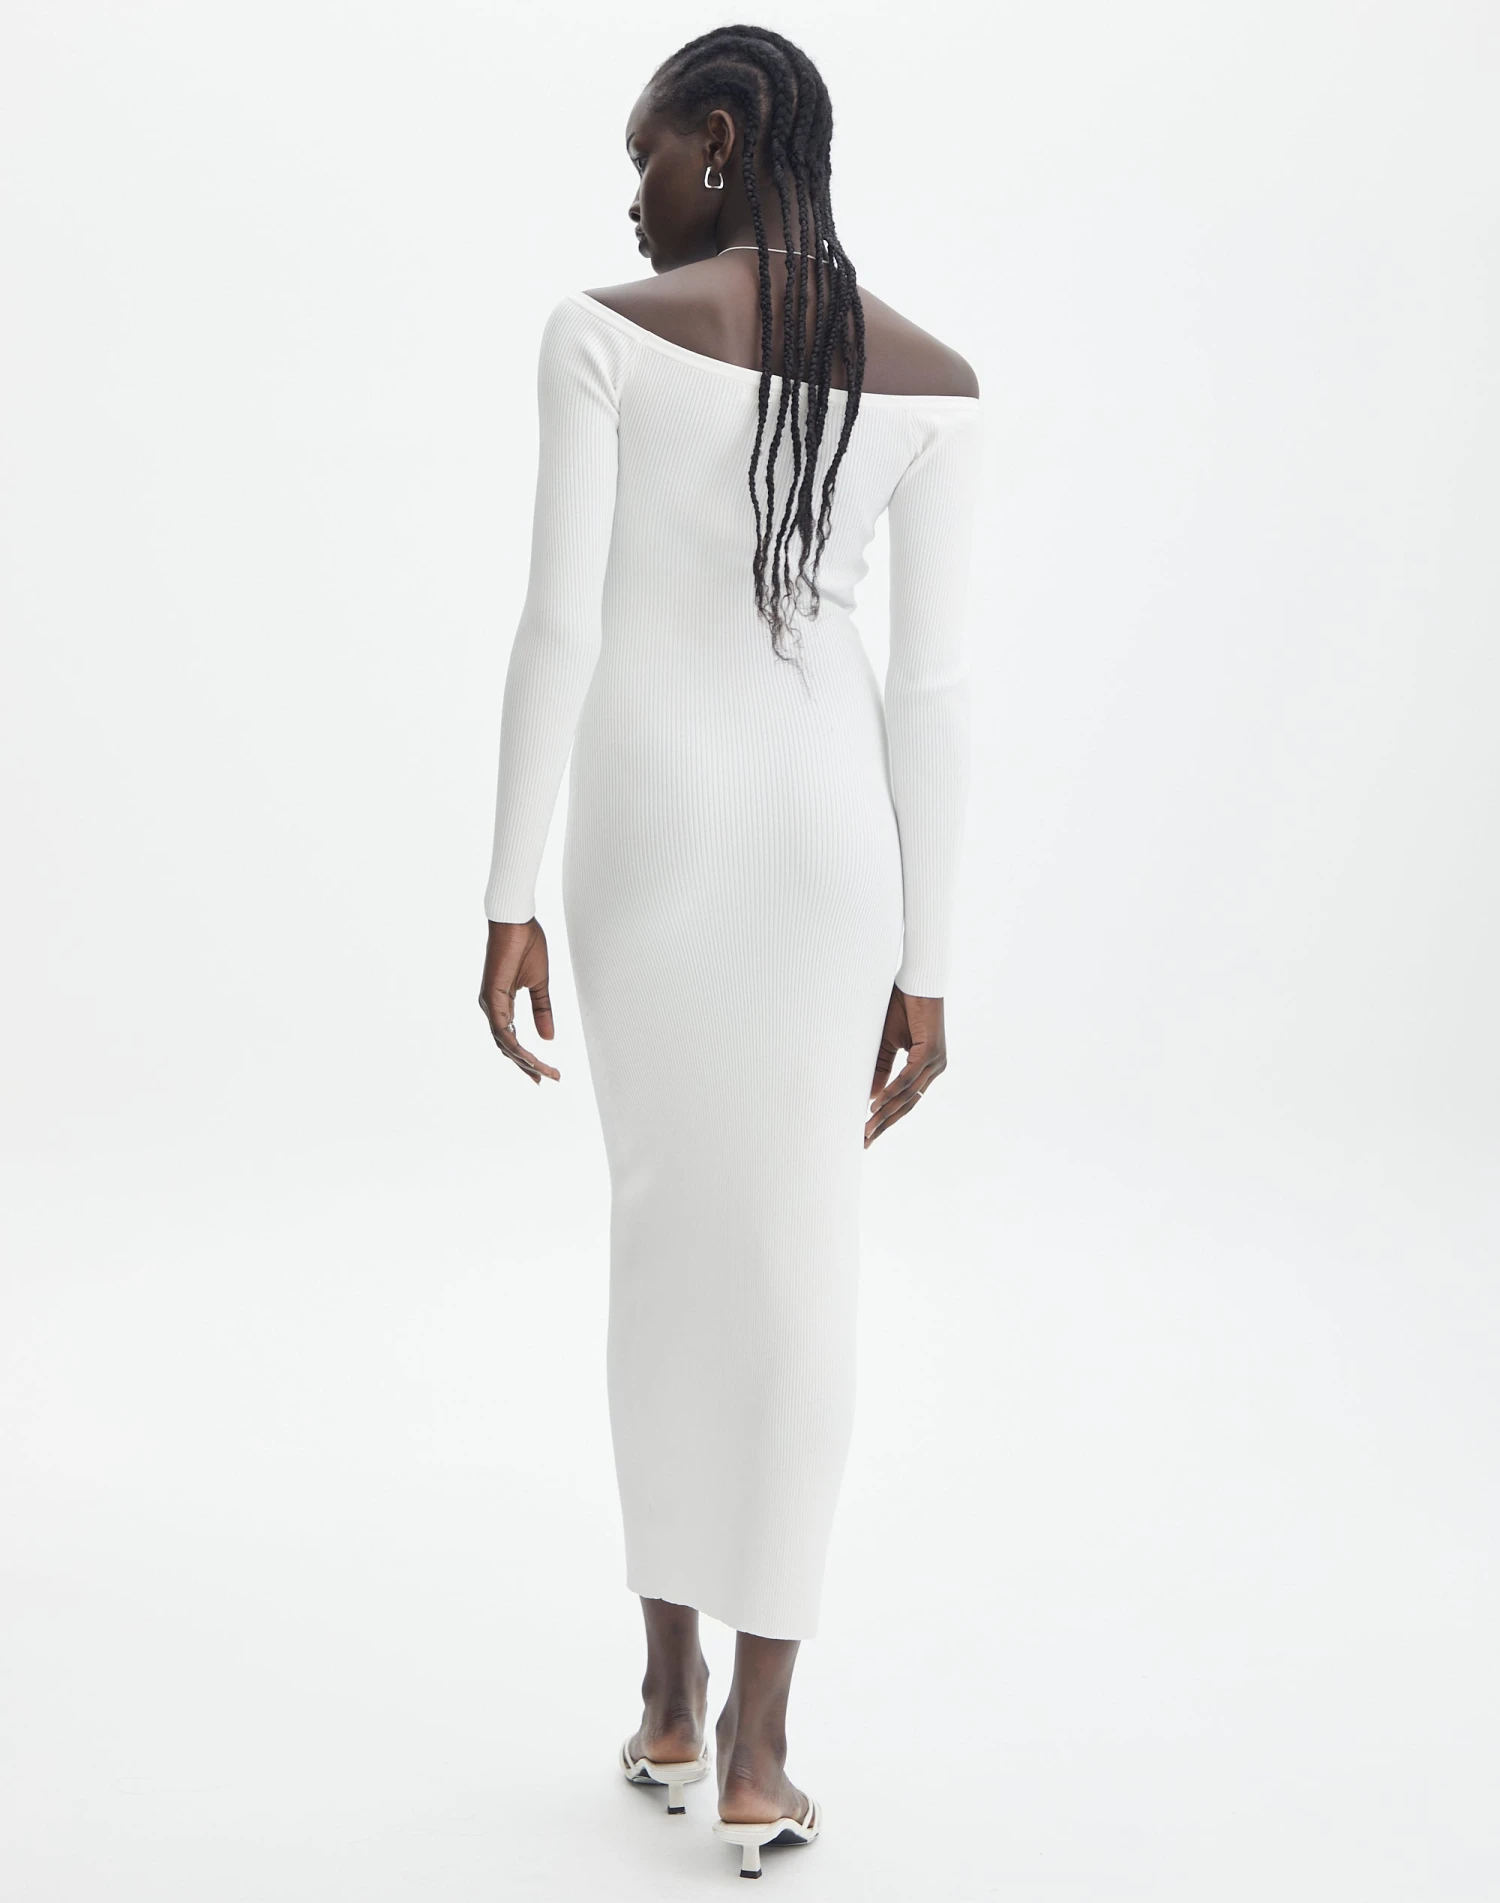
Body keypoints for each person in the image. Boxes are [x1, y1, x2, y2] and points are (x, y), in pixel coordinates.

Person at [477, 25, 983, 1878]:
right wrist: (932, 959)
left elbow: (555, 626)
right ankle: (764, 1746)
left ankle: (672, 1693)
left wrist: (506, 892)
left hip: (647, 828)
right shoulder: (932, 381)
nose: (633, 198)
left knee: (663, 1238)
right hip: (831, 846)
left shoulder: (598, 334)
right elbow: (932, 694)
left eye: (647, 153)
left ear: (721, 132)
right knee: (798, 1264)